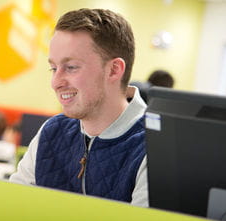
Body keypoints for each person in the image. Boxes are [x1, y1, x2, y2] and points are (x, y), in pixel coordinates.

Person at [9, 8, 148, 207]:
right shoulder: (51, 131)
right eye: (54, 68)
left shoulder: (153, 148)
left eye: (71, 67)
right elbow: (13, 208)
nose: (55, 82)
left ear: (114, 70)